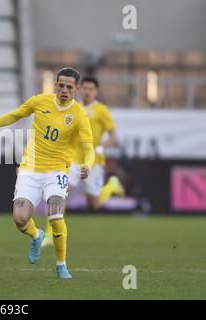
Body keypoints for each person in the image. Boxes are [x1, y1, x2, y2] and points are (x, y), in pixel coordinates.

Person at [0, 67, 94, 279]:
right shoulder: (40, 101)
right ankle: (36, 236)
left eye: (69, 87)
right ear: (55, 85)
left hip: (57, 171)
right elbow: (14, 115)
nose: (64, 90)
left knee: (55, 214)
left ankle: (61, 264)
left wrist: (87, 164)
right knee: (20, 218)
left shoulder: (79, 115)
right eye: (60, 85)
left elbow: (88, 148)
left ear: (77, 89)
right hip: (30, 168)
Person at [42, 75, 124, 247]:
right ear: (79, 89)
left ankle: (112, 186)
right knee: (60, 193)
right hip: (72, 159)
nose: (87, 91)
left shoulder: (101, 110)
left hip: (93, 161)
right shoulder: (74, 107)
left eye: (90, 89)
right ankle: (50, 235)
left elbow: (114, 136)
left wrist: (102, 147)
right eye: (84, 88)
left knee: (94, 204)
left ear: (96, 91)